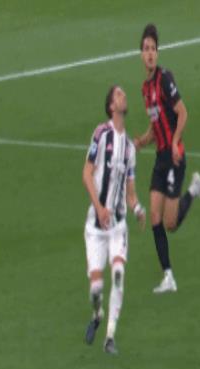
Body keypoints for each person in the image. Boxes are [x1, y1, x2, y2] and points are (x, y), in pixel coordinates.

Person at [134, 23, 200, 294]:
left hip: (174, 158)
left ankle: (194, 189)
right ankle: (168, 276)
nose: (150, 53)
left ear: (157, 52)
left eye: (153, 48)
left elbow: (183, 112)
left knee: (170, 223)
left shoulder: (165, 79)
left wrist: (176, 141)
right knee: (155, 215)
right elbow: (155, 126)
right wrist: (141, 141)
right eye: (146, 49)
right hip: (160, 159)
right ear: (141, 54)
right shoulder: (145, 89)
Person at [83, 85, 146, 355]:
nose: (124, 97)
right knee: (96, 288)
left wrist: (138, 208)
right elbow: (86, 174)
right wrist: (99, 207)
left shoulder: (130, 148)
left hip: (118, 226)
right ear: (111, 106)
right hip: (96, 228)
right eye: (118, 95)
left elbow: (130, 192)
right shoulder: (101, 134)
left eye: (123, 94)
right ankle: (97, 314)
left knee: (118, 274)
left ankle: (110, 336)